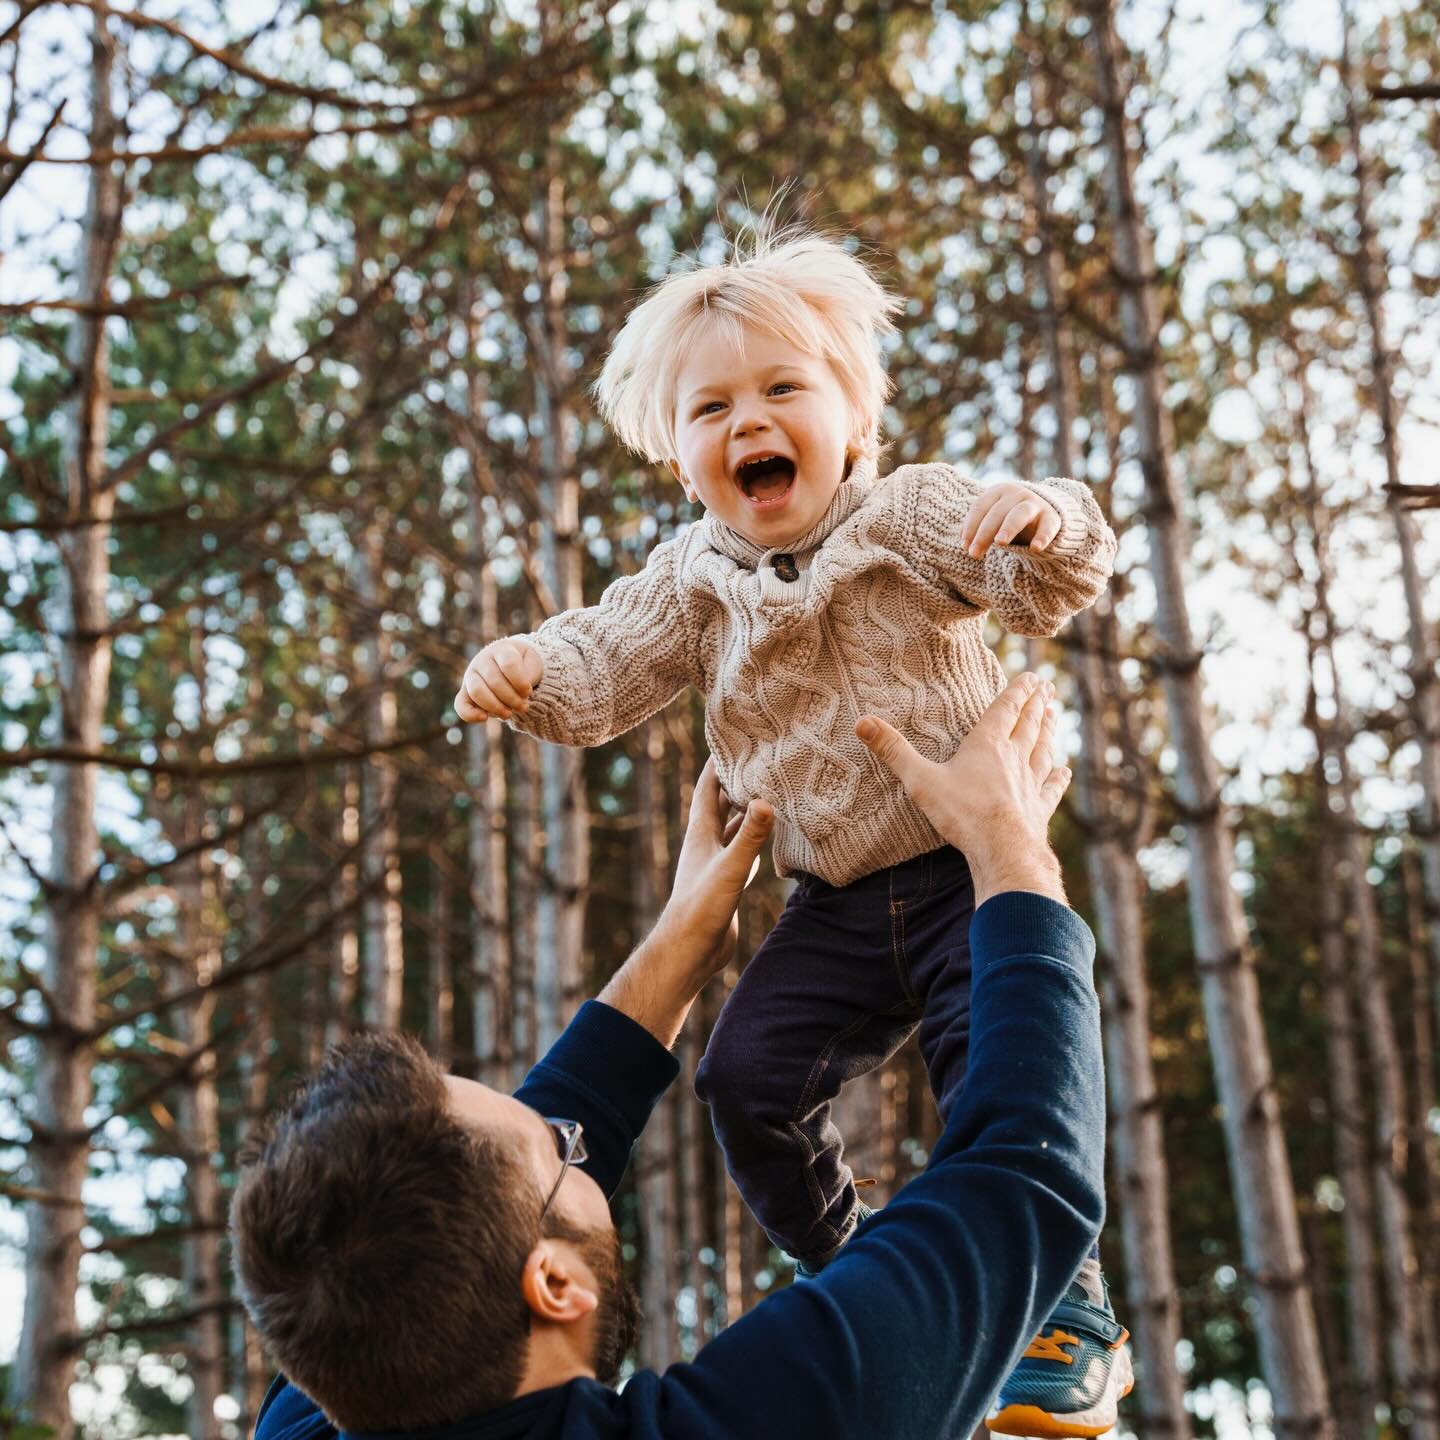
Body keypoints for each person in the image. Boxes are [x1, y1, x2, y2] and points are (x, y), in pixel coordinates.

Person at [453, 227, 1126, 1432]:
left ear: (855, 424)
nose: (746, 422)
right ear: (684, 464)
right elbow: (605, 660)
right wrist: (528, 670)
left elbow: (1039, 583)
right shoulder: (691, 580)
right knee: (744, 1082)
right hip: (834, 901)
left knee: (996, 1066)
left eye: (780, 391)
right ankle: (862, 1276)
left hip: (967, 856)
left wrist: (1041, 523)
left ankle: (1066, 1312)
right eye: (710, 408)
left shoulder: (913, 516)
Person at [233, 674, 1119, 1440]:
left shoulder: (336, 1378)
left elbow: (546, 1133)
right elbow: (1021, 1175)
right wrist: (1009, 845)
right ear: (552, 1283)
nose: (577, 1134)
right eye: (561, 1152)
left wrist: (679, 943)